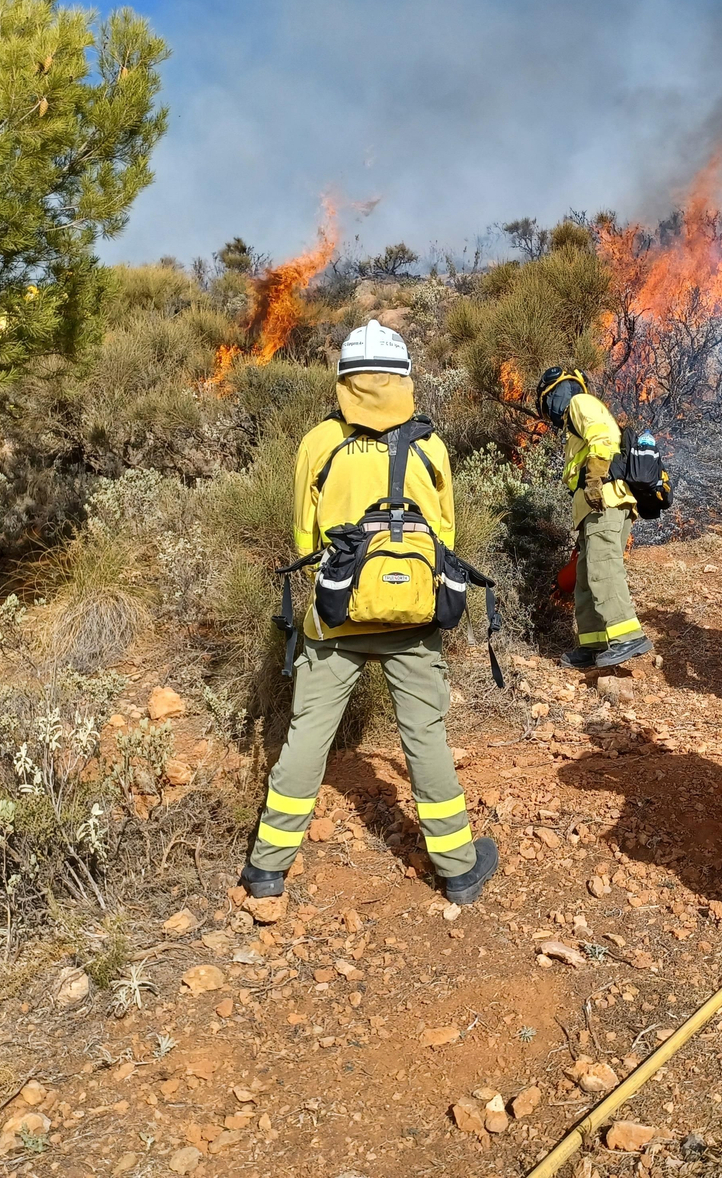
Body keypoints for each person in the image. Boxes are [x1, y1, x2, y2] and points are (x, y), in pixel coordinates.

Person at [238, 320, 499, 905]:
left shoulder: (318, 443)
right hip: (413, 620)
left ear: (344, 379)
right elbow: (447, 536)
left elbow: (303, 534)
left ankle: (267, 867)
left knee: (309, 735)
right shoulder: (431, 446)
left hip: (336, 616)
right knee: (426, 735)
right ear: (404, 376)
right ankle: (457, 869)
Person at [536, 366, 653, 669]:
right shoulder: (573, 422)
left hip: (605, 501)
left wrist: (594, 481)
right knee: (587, 577)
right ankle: (591, 645)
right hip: (594, 508)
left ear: (553, 394)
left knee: (603, 568)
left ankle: (628, 635)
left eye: (547, 400)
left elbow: (602, 436)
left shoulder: (579, 403)